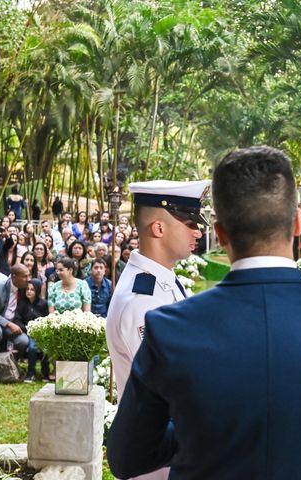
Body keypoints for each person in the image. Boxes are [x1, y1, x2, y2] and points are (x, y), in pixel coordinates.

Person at [107, 146, 301, 479]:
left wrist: (200, 428)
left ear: (219, 233)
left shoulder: (169, 329)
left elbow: (127, 456)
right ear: (295, 225)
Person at [107, 178, 211, 480]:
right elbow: (170, 389)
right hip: (159, 456)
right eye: (189, 222)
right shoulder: (143, 300)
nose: (198, 230)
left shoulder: (162, 281)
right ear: (159, 228)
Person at [14, 278, 49, 382]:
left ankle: (45, 373)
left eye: (32, 289)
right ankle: (31, 373)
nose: (29, 291)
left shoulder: (43, 304)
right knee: (32, 348)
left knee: (45, 348)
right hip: (26, 331)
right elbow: (17, 318)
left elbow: (47, 319)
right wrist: (24, 328)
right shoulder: (22, 303)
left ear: (37, 291)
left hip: (40, 332)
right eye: (27, 289)